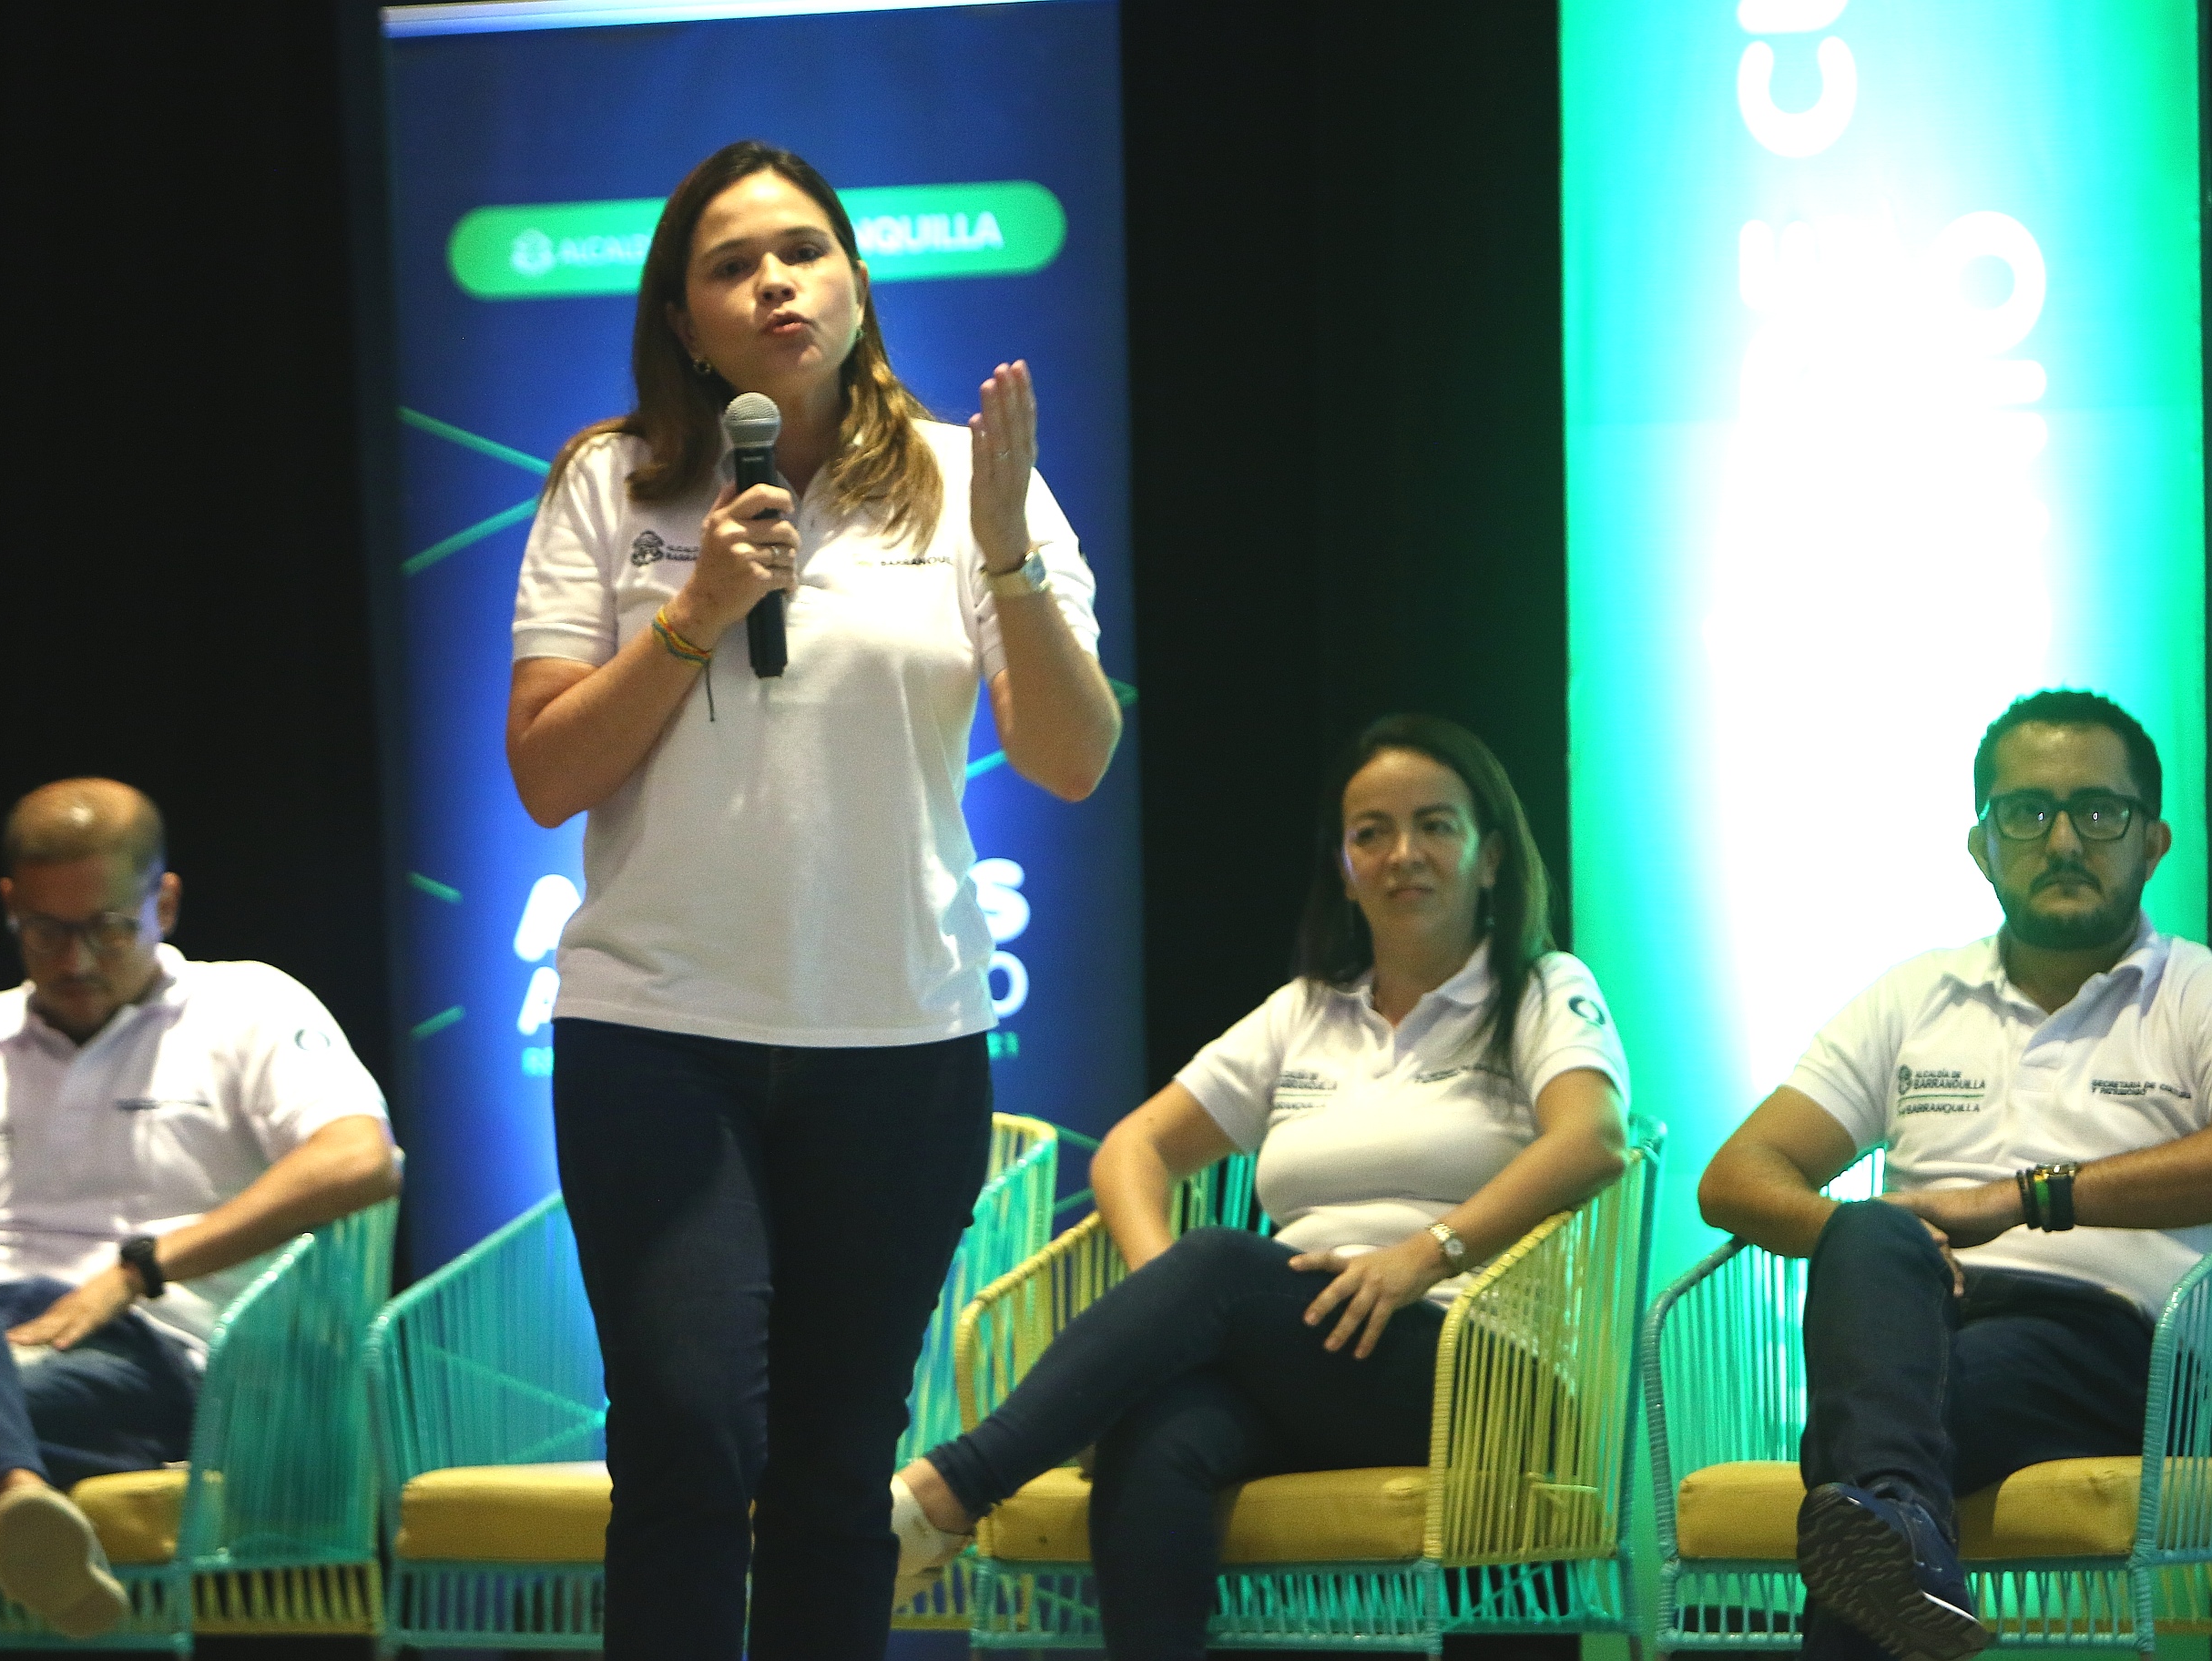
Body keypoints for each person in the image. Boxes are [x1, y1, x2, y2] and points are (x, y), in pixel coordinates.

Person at [502, 139, 1123, 1660]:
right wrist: (698, 610)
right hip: (658, 1029)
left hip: (896, 1040)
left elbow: (1070, 754)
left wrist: (1005, 556)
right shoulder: (612, 480)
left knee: (840, 1466)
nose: (772, 279)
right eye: (729, 263)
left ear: (854, 279)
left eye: (801, 249)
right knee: (685, 1429)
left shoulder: (971, 479)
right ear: (684, 317)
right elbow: (541, 769)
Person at [890, 714, 1632, 1660]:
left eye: (1436, 825)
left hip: (1475, 1363)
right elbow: (1132, 1150)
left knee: (1221, 1268)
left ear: (1490, 857)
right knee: (1155, 1435)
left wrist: (1420, 1257)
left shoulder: (1540, 989)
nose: (1404, 853)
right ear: (1345, 865)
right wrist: (1170, 1308)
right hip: (1307, 1351)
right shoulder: (1305, 1013)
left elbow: (1594, 1140)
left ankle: (946, 1492)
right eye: (1371, 832)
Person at [0, 779, 400, 1658]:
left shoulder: (247, 1009)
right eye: (46, 933)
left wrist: (137, 1272)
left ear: (163, 902)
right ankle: (13, 1484)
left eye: (107, 929)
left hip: (153, 1357)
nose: (75, 962)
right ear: (9, 908)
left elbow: (362, 1158)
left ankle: (0, 1485)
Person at [1697, 688, 2212, 1661]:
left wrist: (2023, 1198)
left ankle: (1890, 1512)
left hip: (2112, 1344)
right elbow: (1737, 1176)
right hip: (1916, 1314)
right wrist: (1896, 1242)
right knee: (1869, 1248)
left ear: (2154, 841)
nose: (2063, 840)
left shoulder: (2195, 991)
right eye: (2027, 813)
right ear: (1982, 845)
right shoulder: (1913, 994)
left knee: (1854, 1447)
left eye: (2099, 812)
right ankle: (1905, 1534)